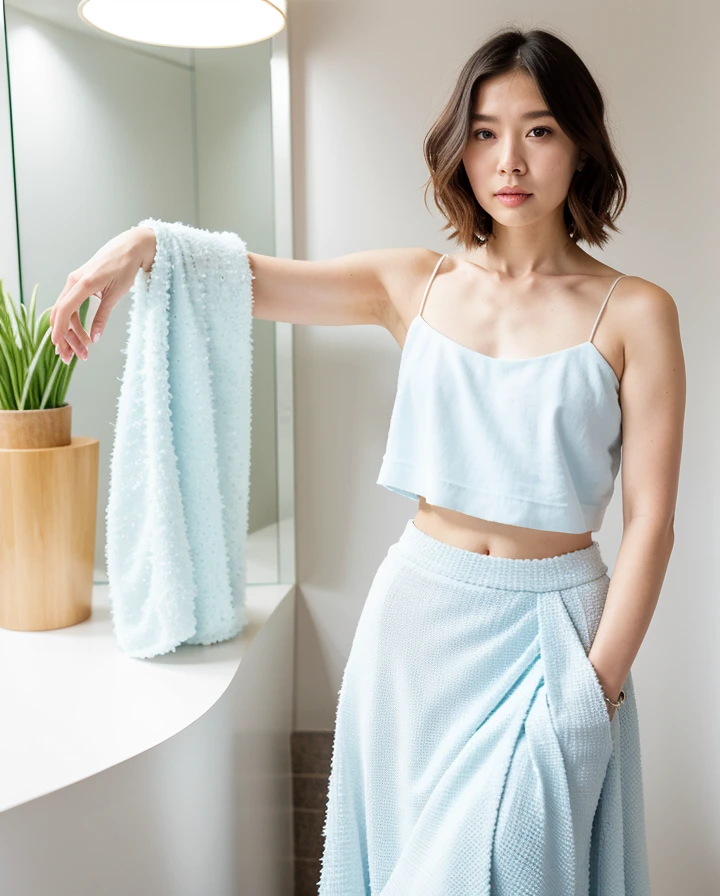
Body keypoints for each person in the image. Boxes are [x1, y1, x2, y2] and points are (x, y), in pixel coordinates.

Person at [50, 25, 684, 896]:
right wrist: (140, 244)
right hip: (416, 638)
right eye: (487, 132)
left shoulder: (637, 312)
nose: (510, 160)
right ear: (460, 149)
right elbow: (245, 278)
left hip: (553, 644)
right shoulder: (415, 284)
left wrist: (595, 695)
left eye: (538, 130)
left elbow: (651, 523)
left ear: (580, 144)